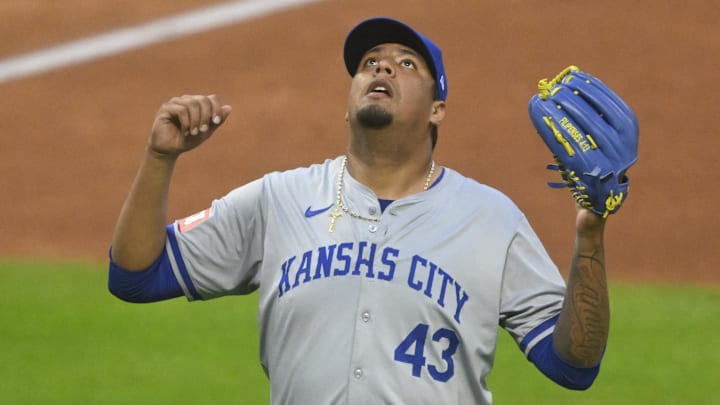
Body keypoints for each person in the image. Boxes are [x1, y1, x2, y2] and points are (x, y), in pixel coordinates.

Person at [109, 17, 610, 404]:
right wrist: (159, 158)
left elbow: (573, 365)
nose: (382, 66)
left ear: (438, 109)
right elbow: (136, 275)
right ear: (347, 105)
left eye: (406, 64)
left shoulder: (492, 219)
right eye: (370, 61)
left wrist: (590, 237)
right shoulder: (280, 198)